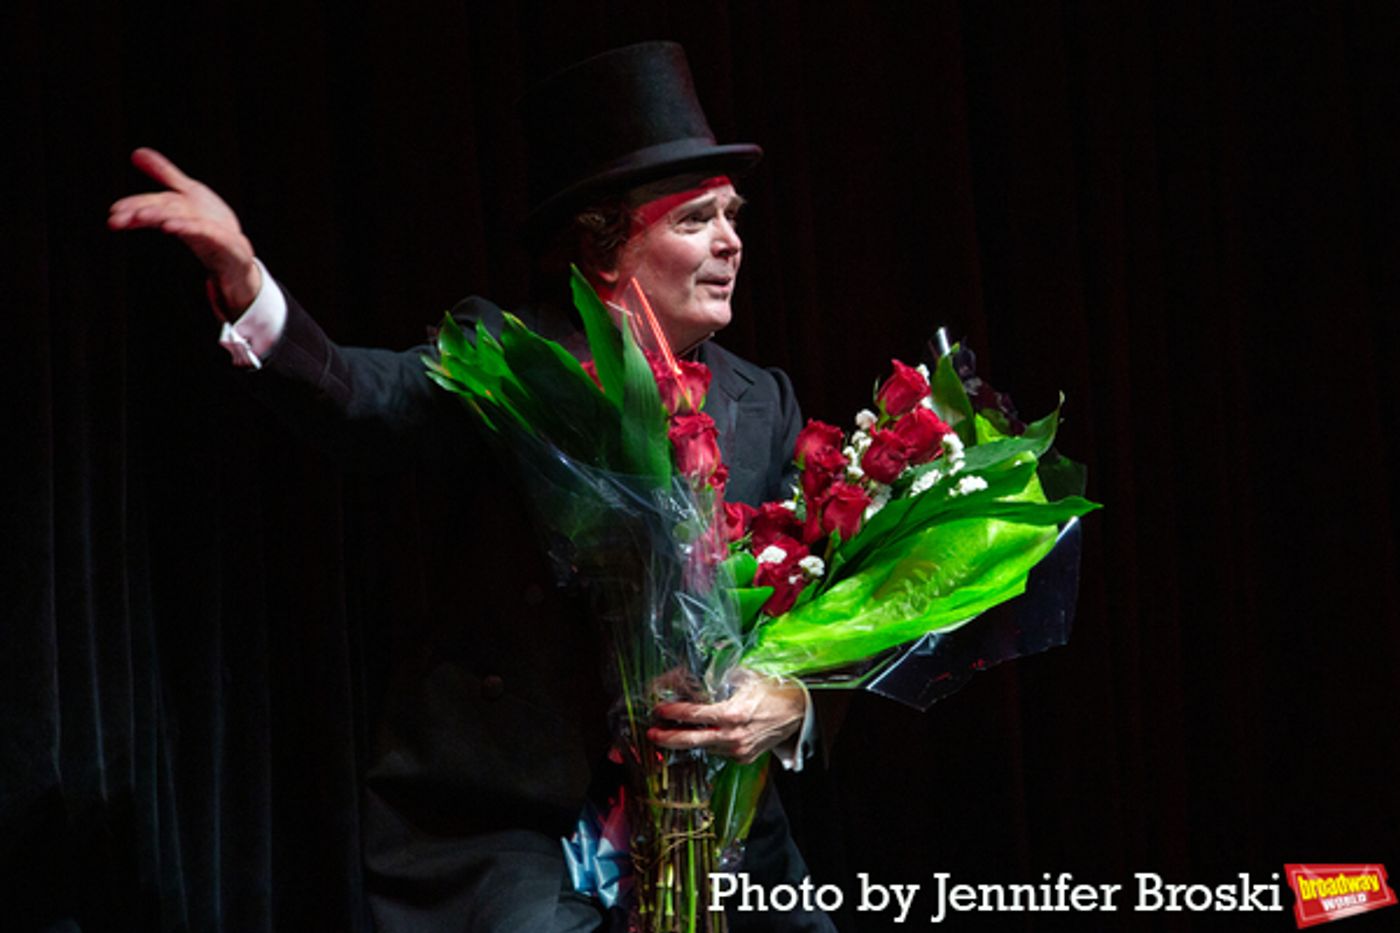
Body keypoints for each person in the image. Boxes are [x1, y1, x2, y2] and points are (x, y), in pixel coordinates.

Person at [110, 42, 836, 932]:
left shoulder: (763, 402)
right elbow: (362, 399)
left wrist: (792, 701)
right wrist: (246, 280)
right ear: (608, 247)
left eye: (733, 215)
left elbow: (827, 610)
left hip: (721, 833)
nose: (730, 240)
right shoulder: (511, 361)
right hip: (512, 827)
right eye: (694, 220)